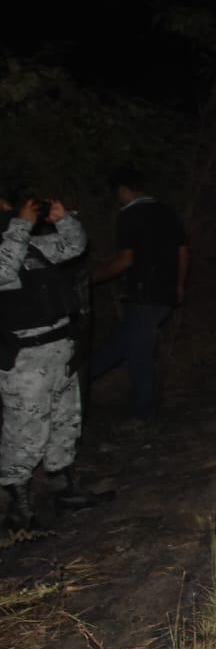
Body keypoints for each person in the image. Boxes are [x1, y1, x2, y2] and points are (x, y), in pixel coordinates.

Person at [0, 194, 89, 529]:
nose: (9, 208)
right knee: (24, 432)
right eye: (3, 205)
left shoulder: (29, 245)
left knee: (65, 422)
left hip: (59, 351)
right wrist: (20, 225)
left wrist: (62, 218)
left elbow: (73, 246)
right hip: (24, 359)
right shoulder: (12, 244)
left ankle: (64, 489)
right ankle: (17, 509)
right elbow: (2, 269)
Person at [90, 167, 188, 420]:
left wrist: (91, 279)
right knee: (119, 347)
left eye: (117, 194)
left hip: (144, 294)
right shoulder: (167, 211)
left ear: (123, 190)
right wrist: (179, 285)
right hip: (165, 293)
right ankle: (74, 384)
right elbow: (182, 251)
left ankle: (146, 414)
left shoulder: (129, 215)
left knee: (138, 354)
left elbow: (125, 260)